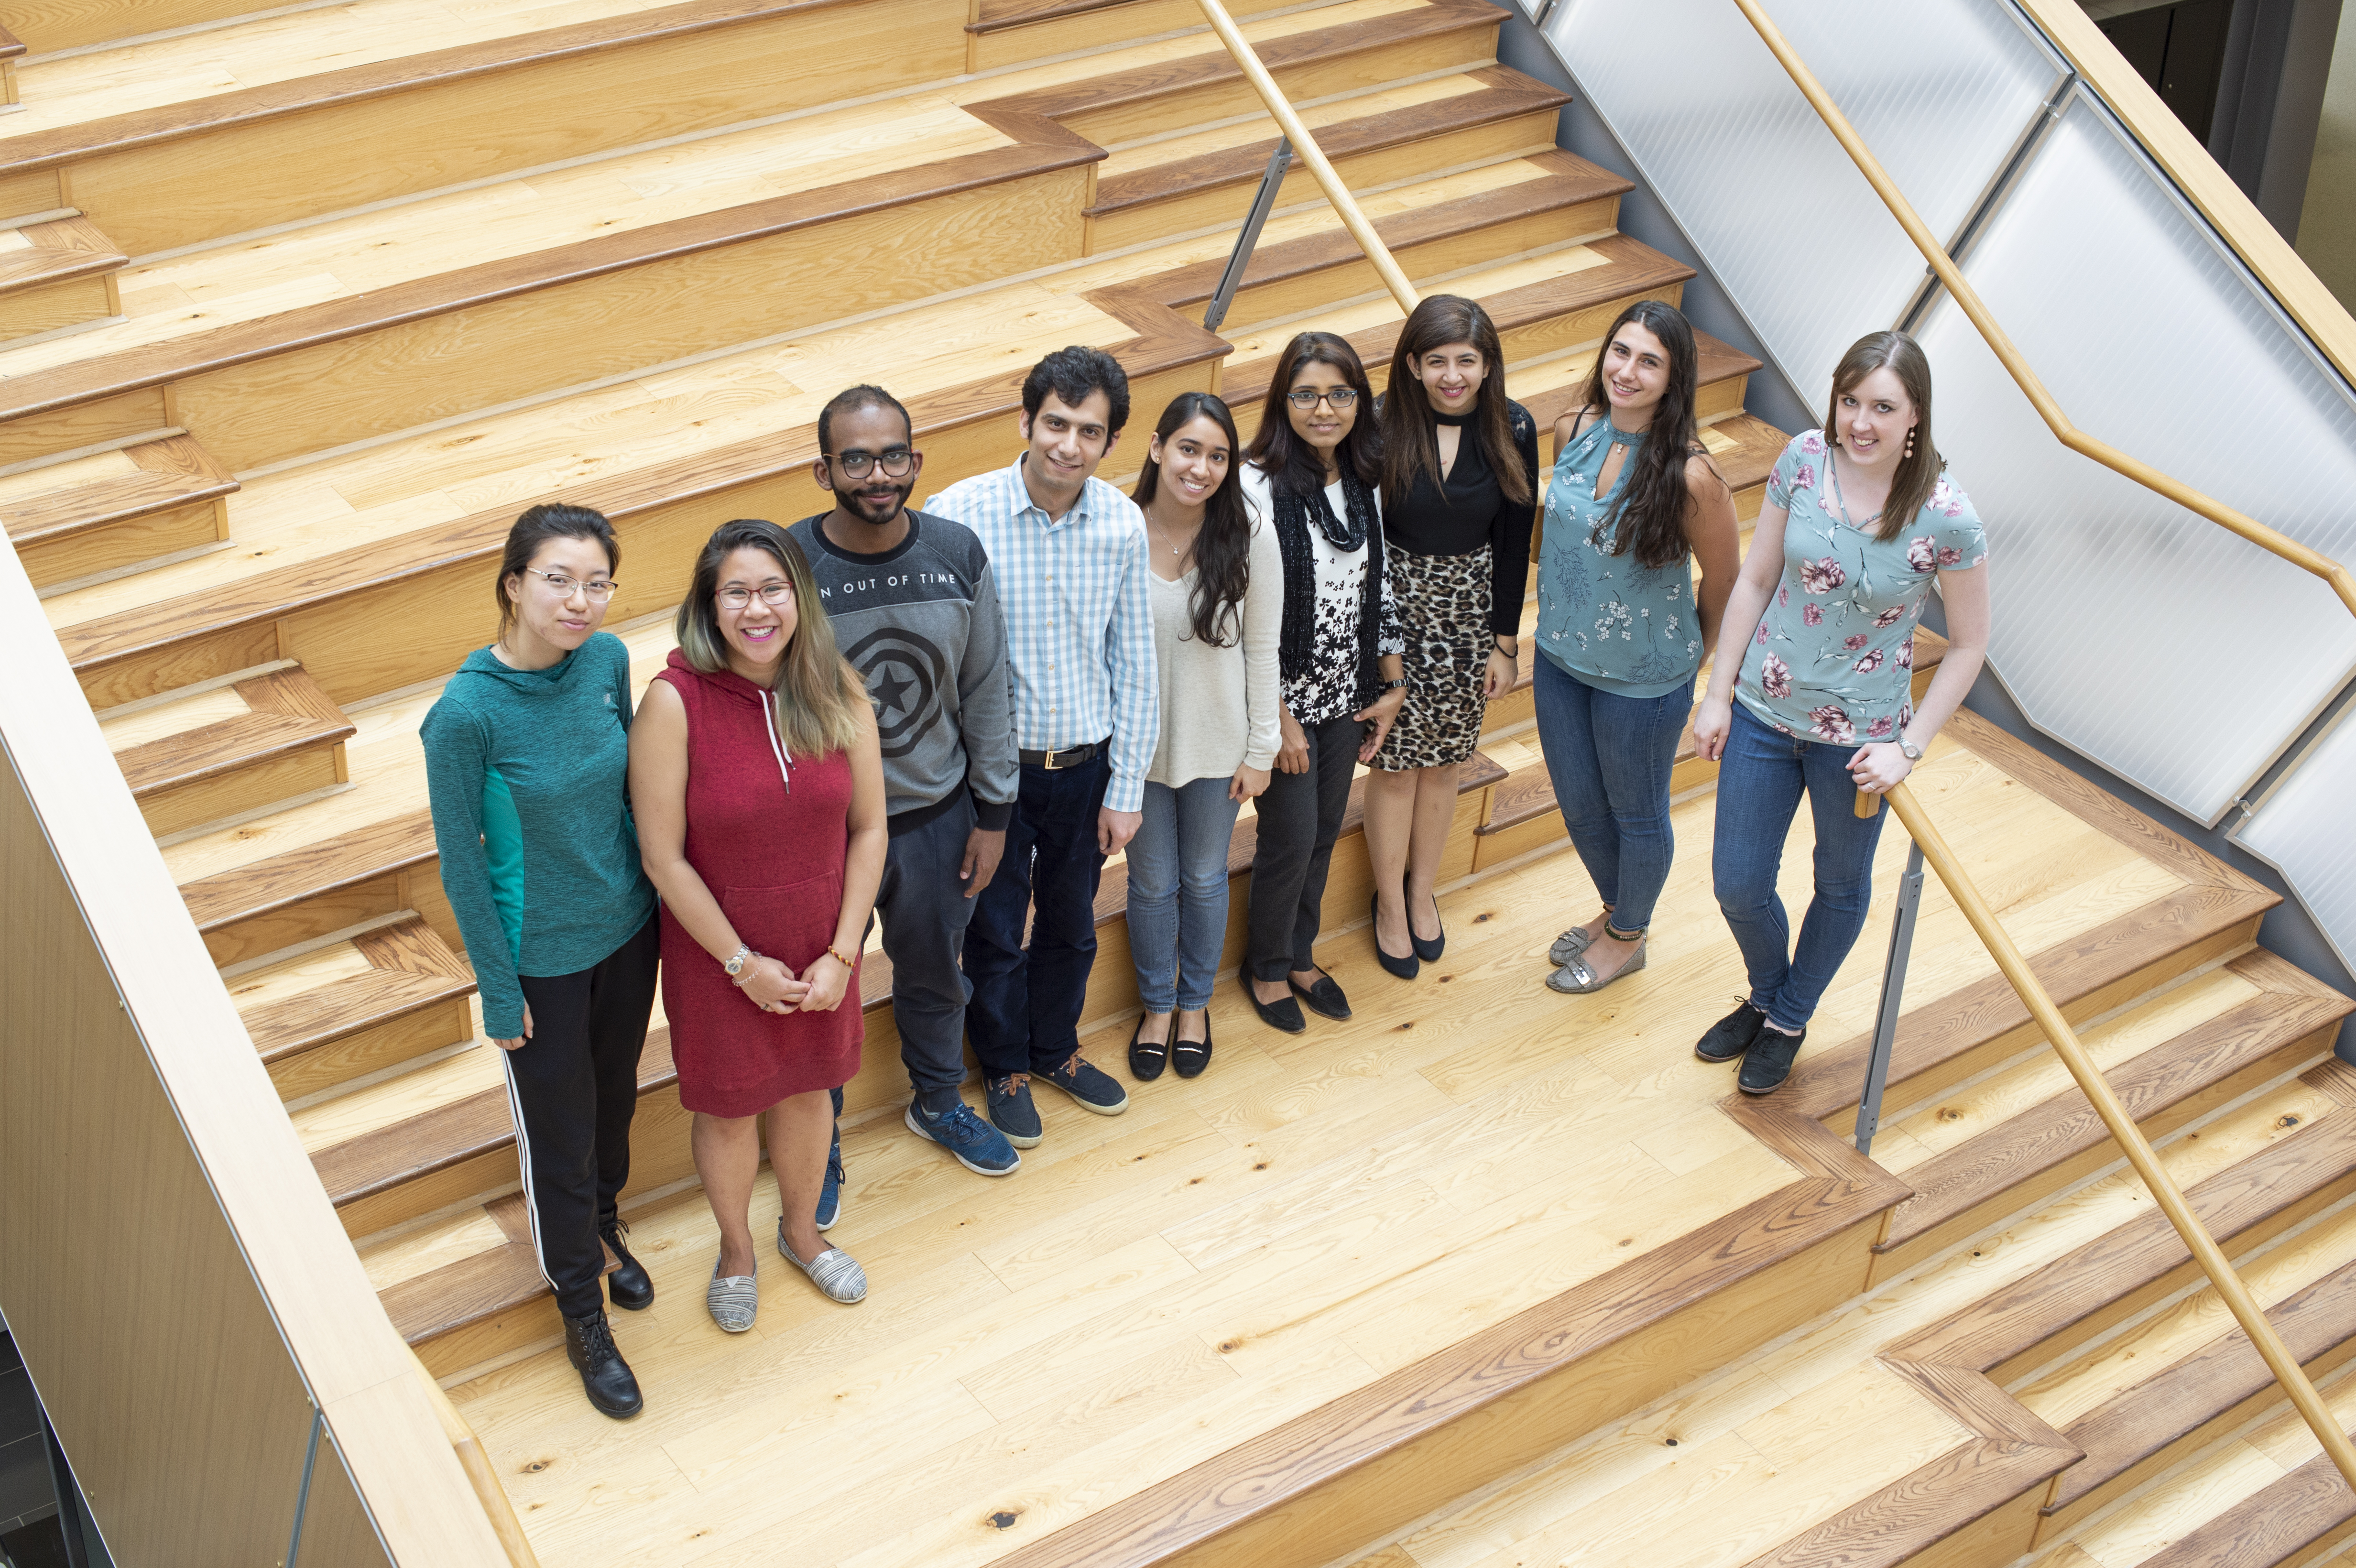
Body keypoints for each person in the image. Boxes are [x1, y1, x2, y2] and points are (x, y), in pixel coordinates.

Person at [1691, 330, 1989, 1095]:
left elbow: (1968, 647)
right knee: (1738, 882)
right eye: (1850, 401)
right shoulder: (1801, 460)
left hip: (1858, 740)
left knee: (1840, 883)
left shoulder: (1947, 518)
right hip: (1763, 709)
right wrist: (1719, 691)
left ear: (1915, 416)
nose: (1860, 421)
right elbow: (1756, 580)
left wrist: (1910, 747)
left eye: (1882, 407)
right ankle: (1765, 991)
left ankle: (1787, 1015)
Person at [421, 503, 659, 1421]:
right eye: (560, 579)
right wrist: (497, 985)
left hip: (627, 932)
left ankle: (601, 1228)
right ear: (514, 583)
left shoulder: (605, 664)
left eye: (598, 582)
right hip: (541, 963)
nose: (581, 601)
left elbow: (633, 791)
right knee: (558, 1140)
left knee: (616, 1104)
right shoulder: (465, 715)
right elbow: (461, 862)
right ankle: (580, 1312)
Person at [630, 520, 887, 1328]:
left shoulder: (837, 685)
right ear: (709, 607)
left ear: (800, 597)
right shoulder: (674, 702)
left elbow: (871, 828)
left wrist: (845, 954)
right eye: (736, 592)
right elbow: (663, 857)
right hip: (719, 957)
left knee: (812, 1095)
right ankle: (737, 1249)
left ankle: (803, 1236)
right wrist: (743, 964)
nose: (756, 608)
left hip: (824, 947)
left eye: (772, 588)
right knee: (731, 1109)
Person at [788, 385, 1023, 1181]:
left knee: (934, 975)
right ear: (824, 471)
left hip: (936, 821)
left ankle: (937, 1099)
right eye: (856, 459)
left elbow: (989, 689)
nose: (877, 473)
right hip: (824, 830)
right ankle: (818, 1139)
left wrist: (993, 814)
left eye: (893, 455)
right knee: (824, 990)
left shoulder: (958, 552)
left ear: (916, 460)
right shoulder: (788, 566)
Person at [926, 346, 1157, 1148]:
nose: (1068, 444)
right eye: (1055, 423)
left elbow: (1134, 661)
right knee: (993, 929)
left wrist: (1127, 786)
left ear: (1109, 444)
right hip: (993, 778)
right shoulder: (958, 515)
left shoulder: (1123, 523)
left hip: (1085, 771)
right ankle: (1004, 1066)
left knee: (1072, 924)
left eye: (1089, 432)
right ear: (1025, 422)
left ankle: (1055, 1049)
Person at [1533, 300, 1740, 995]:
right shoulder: (1573, 430)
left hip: (1643, 683)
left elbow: (1727, 583)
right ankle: (1616, 910)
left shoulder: (1692, 477)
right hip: (1560, 658)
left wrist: (1691, 663)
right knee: (1580, 807)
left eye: (1649, 361)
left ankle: (1628, 937)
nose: (1627, 370)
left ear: (1674, 379)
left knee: (1636, 811)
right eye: (1620, 351)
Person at [1235, 331, 1407, 1034]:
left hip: (1348, 693)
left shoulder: (1363, 476)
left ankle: (1299, 954)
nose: (1324, 409)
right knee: (1290, 836)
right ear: (1283, 401)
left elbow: (1381, 583)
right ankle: (1267, 967)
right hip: (1284, 702)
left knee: (1325, 831)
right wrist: (1275, 717)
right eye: (1305, 394)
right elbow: (1239, 610)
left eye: (1341, 393)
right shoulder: (1252, 484)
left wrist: (1393, 683)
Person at [1363, 296, 1539, 980]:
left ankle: (1419, 889)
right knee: (1396, 762)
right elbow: (1368, 537)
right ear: (1412, 364)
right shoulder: (1381, 425)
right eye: (1436, 360)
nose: (1452, 374)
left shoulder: (1513, 426)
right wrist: (1375, 640)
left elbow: (1515, 536)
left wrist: (1505, 642)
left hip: (1470, 612)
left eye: (1466, 360)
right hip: (1397, 609)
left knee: (1444, 761)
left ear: (1488, 364)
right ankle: (1387, 903)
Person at [1124, 392, 1279, 1080]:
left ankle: (1195, 1005)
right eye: (1189, 449)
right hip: (1138, 749)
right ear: (1157, 448)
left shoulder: (1251, 532)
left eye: (1220, 456)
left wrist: (1262, 749)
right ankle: (1156, 1006)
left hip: (1220, 744)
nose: (1203, 467)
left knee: (1204, 878)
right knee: (1153, 884)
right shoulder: (1117, 530)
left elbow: (1263, 648)